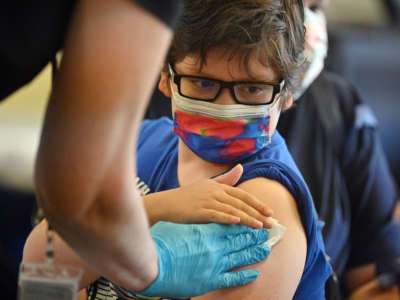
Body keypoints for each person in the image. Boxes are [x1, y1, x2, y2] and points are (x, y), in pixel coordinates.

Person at [24, 0, 333, 299]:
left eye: (252, 89)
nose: (225, 108)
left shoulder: (264, 206)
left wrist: (107, 232)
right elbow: (40, 268)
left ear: (287, 94)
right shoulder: (140, 141)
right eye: (203, 83)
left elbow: (53, 273)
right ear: (164, 77)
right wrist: (157, 209)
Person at [277, 1, 400, 298]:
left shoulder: (341, 109)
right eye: (305, 5)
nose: (312, 21)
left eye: (318, 7)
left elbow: (374, 279)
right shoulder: (160, 106)